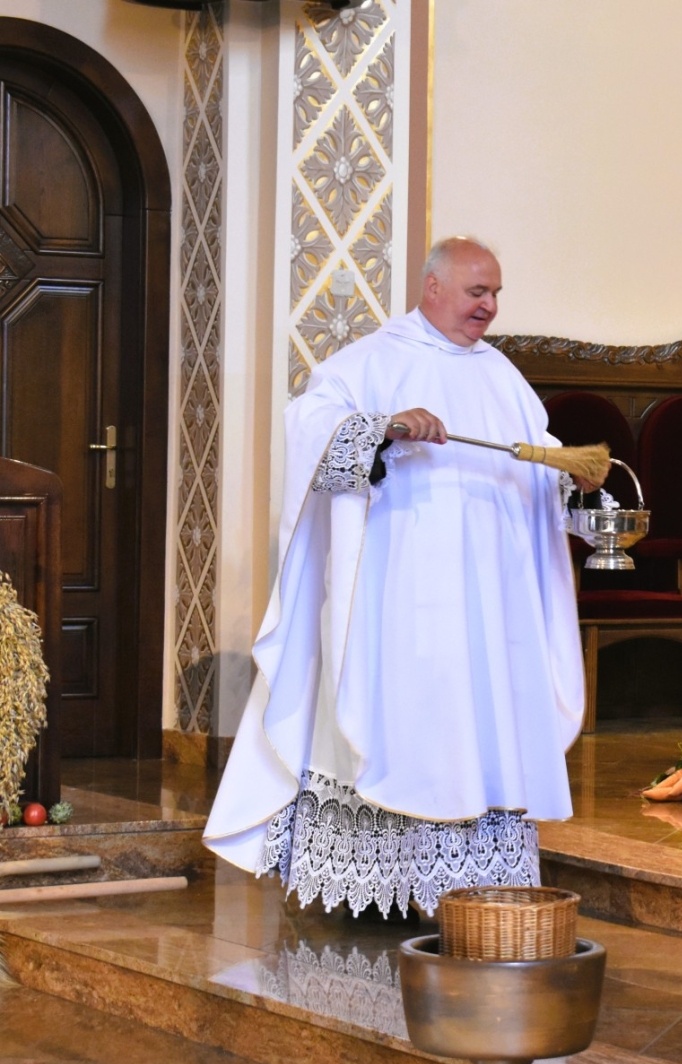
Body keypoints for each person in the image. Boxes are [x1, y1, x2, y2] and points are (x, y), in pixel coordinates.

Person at [204, 237, 596, 918]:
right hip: (405, 594)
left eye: (495, 294)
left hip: (490, 599)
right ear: (433, 287)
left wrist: (574, 485)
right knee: (411, 715)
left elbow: (539, 463)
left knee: (481, 716)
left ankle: (474, 884)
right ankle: (391, 883)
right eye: (477, 292)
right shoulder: (374, 360)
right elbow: (311, 426)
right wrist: (382, 428)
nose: (489, 306)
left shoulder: (503, 375)